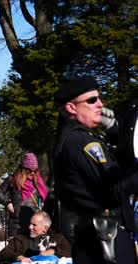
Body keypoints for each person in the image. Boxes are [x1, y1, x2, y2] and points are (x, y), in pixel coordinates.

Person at [53, 76, 138, 263]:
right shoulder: (82, 141)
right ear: (71, 108)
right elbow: (114, 189)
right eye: (91, 100)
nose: (100, 104)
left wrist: (116, 134)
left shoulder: (73, 138)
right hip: (103, 240)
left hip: (96, 238)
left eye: (99, 98)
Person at [0, 153, 48, 236]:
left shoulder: (38, 182)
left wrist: (43, 203)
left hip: (33, 224)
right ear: (24, 169)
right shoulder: (12, 179)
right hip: (16, 223)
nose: (33, 173)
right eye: (30, 170)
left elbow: (46, 196)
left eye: (34, 170)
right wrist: (7, 203)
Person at [0, 211, 71, 263]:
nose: (30, 227)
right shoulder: (22, 237)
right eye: (30, 223)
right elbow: (4, 253)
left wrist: (54, 251)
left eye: (34, 225)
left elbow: (70, 252)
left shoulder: (57, 237)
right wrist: (19, 257)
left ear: (45, 228)